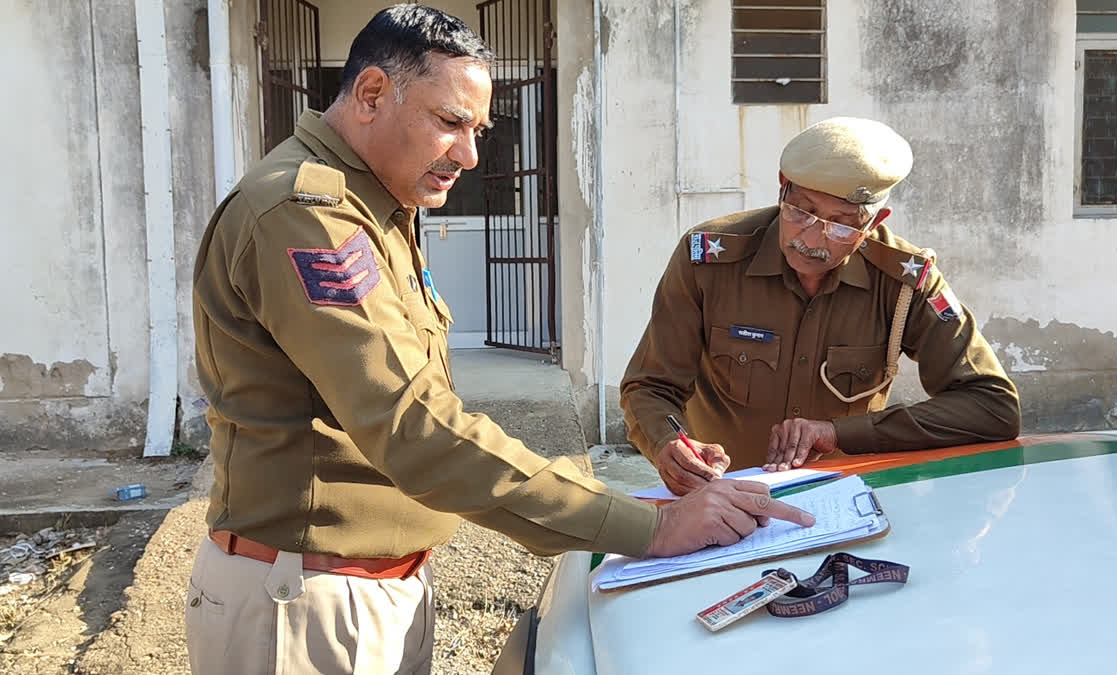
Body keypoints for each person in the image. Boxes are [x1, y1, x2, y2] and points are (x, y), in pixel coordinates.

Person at [184, 5, 814, 674]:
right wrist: (648, 526)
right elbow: (417, 428)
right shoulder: (308, 214)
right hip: (306, 605)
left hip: (362, 589)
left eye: (478, 129)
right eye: (451, 122)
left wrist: (632, 505)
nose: (471, 154)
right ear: (371, 94)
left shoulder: (376, 207)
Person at [620, 116, 1020, 496]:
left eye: (843, 224)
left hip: (847, 501)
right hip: (722, 499)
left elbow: (993, 406)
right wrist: (670, 445)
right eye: (802, 212)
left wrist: (837, 434)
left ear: (875, 220)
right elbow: (650, 387)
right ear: (782, 187)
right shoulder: (709, 259)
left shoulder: (904, 282)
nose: (814, 239)